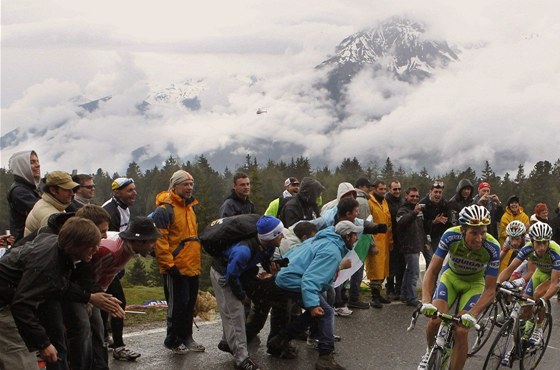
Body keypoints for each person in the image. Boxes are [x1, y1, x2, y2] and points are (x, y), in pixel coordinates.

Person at [0, 218, 104, 369]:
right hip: (4, 307)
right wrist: (43, 344)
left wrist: (88, 297)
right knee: (21, 361)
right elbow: (22, 305)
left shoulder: (57, 247)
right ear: (76, 245)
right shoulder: (47, 264)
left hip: (9, 299)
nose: (96, 249)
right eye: (91, 246)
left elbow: (57, 285)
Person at [267, 220, 363, 370]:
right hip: (294, 281)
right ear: (348, 236)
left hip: (287, 278)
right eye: (355, 235)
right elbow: (310, 280)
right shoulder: (332, 251)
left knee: (317, 312)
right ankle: (325, 357)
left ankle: (279, 340)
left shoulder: (322, 239)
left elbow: (295, 255)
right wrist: (313, 305)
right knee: (325, 312)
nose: (356, 239)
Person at [418, 205, 500, 370]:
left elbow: (490, 289)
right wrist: (426, 301)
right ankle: (429, 350)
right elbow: (432, 270)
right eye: (474, 233)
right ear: (463, 230)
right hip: (451, 277)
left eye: (483, 232)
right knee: (436, 319)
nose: (479, 238)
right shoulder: (450, 236)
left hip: (474, 284)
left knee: (461, 331)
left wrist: (473, 314)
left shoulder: (493, 247)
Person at [210, 216, 285, 370]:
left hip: (239, 272)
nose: (283, 236)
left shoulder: (268, 244)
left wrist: (270, 267)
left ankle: (227, 342)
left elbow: (264, 258)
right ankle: (242, 359)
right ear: (271, 236)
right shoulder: (243, 251)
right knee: (235, 314)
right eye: (279, 234)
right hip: (224, 275)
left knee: (236, 311)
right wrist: (242, 296)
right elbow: (231, 276)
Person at [91, 217, 162, 362]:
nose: (154, 246)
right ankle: (101, 345)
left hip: (102, 277)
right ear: (138, 241)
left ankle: (111, 345)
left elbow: (106, 275)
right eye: (151, 241)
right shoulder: (112, 252)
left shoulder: (128, 247)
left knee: (116, 303)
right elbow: (90, 276)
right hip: (90, 279)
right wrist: (93, 298)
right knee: (100, 311)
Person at [152, 170, 205, 354]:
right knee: (177, 306)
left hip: (192, 265)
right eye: (185, 184)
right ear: (175, 186)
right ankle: (172, 340)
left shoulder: (190, 208)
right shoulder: (164, 210)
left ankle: (187, 337)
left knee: (189, 305)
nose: (189, 188)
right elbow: (160, 241)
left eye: (191, 184)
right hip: (175, 267)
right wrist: (169, 266)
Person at [497, 222, 560, 355]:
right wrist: (497, 283)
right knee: (525, 303)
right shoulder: (527, 248)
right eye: (538, 243)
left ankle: (538, 328)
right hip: (541, 271)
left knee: (538, 295)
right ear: (531, 241)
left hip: (555, 275)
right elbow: (510, 269)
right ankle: (524, 333)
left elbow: (554, 283)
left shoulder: (555, 251)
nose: (542, 247)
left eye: (545, 243)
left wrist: (544, 299)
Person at [101, 177, 138, 360]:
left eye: (134, 189)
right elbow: (110, 242)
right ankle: (119, 346)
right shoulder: (110, 211)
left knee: (106, 303)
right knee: (117, 302)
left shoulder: (124, 208)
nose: (134, 193)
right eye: (130, 190)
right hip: (105, 264)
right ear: (117, 193)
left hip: (113, 264)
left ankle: (104, 339)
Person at [397, 187, 428, 307]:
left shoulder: (419, 210)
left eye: (416, 196)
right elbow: (401, 223)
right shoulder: (402, 210)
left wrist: (424, 241)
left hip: (417, 244)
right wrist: (414, 213)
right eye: (412, 196)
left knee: (409, 271)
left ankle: (405, 294)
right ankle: (411, 297)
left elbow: (421, 228)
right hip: (408, 246)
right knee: (414, 272)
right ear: (406, 196)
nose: (414, 198)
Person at [24, 171, 79, 236]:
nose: (72, 193)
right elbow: (54, 243)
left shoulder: (47, 204)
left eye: (72, 189)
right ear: (53, 190)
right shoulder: (49, 217)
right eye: (67, 189)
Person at [365, 180, 392, 308]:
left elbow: (389, 222)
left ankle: (379, 294)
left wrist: (391, 240)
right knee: (374, 269)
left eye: (384, 189)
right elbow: (367, 223)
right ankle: (374, 296)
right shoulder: (369, 202)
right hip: (375, 240)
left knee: (382, 270)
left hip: (385, 240)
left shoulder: (385, 202)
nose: (383, 191)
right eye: (380, 189)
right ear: (374, 189)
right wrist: (371, 243)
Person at [7, 150, 42, 242]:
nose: (38, 165)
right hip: (26, 246)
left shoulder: (29, 188)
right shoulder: (20, 192)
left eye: (37, 161)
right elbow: (41, 213)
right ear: (22, 167)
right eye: (32, 162)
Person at [419, 180, 452, 267]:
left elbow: (449, 220)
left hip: (438, 235)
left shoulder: (445, 203)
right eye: (436, 192)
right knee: (430, 260)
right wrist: (433, 222)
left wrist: (446, 220)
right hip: (425, 236)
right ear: (430, 191)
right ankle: (430, 280)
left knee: (438, 261)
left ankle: (435, 280)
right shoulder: (423, 204)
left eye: (440, 192)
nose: (438, 194)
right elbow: (420, 223)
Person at [385, 180, 406, 301]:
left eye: (399, 189)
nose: (397, 191)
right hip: (390, 237)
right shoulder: (385, 202)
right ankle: (389, 290)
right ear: (390, 189)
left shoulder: (403, 201)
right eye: (395, 189)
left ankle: (399, 289)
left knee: (402, 265)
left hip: (402, 238)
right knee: (391, 266)